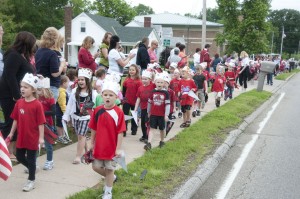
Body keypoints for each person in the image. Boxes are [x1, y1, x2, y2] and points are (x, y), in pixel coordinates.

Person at [0, 31, 36, 159]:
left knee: (16, 123)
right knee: (11, 122)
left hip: (19, 92)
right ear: (26, 43)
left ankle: (13, 149)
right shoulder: (14, 55)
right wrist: (16, 95)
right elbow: (9, 76)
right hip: (9, 94)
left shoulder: (22, 55)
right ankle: (6, 151)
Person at [7, 73, 45, 192]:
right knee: (19, 156)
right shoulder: (19, 103)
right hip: (21, 136)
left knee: (32, 159)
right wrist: (11, 133)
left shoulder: (37, 105)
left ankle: (31, 180)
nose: (22, 89)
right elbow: (15, 119)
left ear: (33, 90)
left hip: (33, 137)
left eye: (26, 87)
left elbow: (41, 123)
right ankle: (32, 168)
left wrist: (41, 138)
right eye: (21, 86)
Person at [89, 79, 125, 199]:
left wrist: (118, 149)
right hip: (99, 145)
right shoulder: (97, 110)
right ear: (102, 96)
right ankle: (112, 178)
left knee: (109, 169)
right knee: (95, 167)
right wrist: (91, 142)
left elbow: (120, 132)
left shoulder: (118, 112)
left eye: (111, 95)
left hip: (112, 147)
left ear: (116, 97)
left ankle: (108, 192)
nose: (107, 97)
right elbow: (93, 128)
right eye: (105, 95)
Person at [63, 68, 97, 164]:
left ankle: (78, 156)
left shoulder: (92, 93)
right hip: (76, 117)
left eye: (83, 79)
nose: (81, 81)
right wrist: (66, 116)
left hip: (86, 118)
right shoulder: (74, 92)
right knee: (80, 136)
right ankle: (87, 151)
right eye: (79, 79)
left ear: (87, 80)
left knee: (81, 136)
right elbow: (69, 105)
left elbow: (95, 106)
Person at [35, 27, 67, 101]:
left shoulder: (39, 51)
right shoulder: (52, 54)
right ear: (55, 40)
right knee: (50, 110)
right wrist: (62, 65)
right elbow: (55, 73)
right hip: (51, 87)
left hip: (40, 85)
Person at [144, 73, 170, 151]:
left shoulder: (166, 93)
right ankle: (149, 143)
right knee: (152, 128)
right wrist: (148, 112)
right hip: (153, 114)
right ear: (155, 83)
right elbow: (149, 102)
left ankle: (162, 141)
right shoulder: (152, 92)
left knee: (162, 129)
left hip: (162, 115)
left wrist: (166, 115)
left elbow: (168, 105)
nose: (160, 84)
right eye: (158, 82)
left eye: (161, 82)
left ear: (164, 83)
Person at [37, 78, 56, 170]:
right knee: (36, 144)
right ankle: (34, 163)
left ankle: (49, 161)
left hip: (48, 124)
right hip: (37, 124)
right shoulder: (37, 98)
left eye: (40, 90)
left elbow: (53, 111)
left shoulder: (50, 99)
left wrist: (41, 114)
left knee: (48, 144)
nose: (38, 91)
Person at [134, 70, 155, 143]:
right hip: (143, 108)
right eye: (143, 79)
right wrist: (135, 108)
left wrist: (153, 73)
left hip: (150, 108)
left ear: (150, 80)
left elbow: (156, 80)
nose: (144, 81)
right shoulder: (140, 88)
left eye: (146, 79)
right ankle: (144, 135)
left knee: (147, 122)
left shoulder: (153, 85)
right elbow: (138, 98)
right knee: (143, 123)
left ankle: (147, 136)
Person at [122, 64, 142, 136]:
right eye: (130, 70)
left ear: (136, 71)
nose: (131, 71)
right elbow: (124, 90)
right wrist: (123, 98)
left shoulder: (139, 81)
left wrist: (139, 101)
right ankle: (124, 130)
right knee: (125, 115)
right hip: (127, 100)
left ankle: (134, 129)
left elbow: (140, 92)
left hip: (135, 101)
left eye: (133, 70)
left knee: (134, 115)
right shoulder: (126, 80)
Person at [56, 75, 70, 144]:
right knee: (59, 124)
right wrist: (65, 112)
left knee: (63, 124)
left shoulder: (63, 91)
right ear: (64, 83)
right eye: (68, 82)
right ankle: (60, 136)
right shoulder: (62, 92)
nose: (68, 84)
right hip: (60, 111)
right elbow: (62, 103)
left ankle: (63, 135)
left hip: (62, 111)